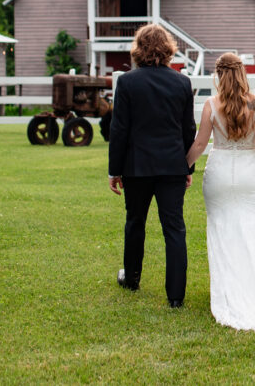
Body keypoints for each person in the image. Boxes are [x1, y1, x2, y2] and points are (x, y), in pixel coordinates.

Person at [186, 52, 255, 331]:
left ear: (219, 75)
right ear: (241, 74)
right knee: (252, 229)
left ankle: (230, 291)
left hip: (220, 175)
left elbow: (200, 144)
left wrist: (183, 168)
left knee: (222, 230)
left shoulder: (211, 105)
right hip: (249, 177)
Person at [108, 24, 196, 309]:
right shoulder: (182, 83)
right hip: (172, 166)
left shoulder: (127, 83)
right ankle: (175, 295)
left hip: (136, 167)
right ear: (168, 48)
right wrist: (188, 168)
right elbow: (187, 131)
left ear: (139, 48)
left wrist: (114, 170)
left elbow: (119, 130)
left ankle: (132, 278)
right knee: (174, 228)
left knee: (135, 223)